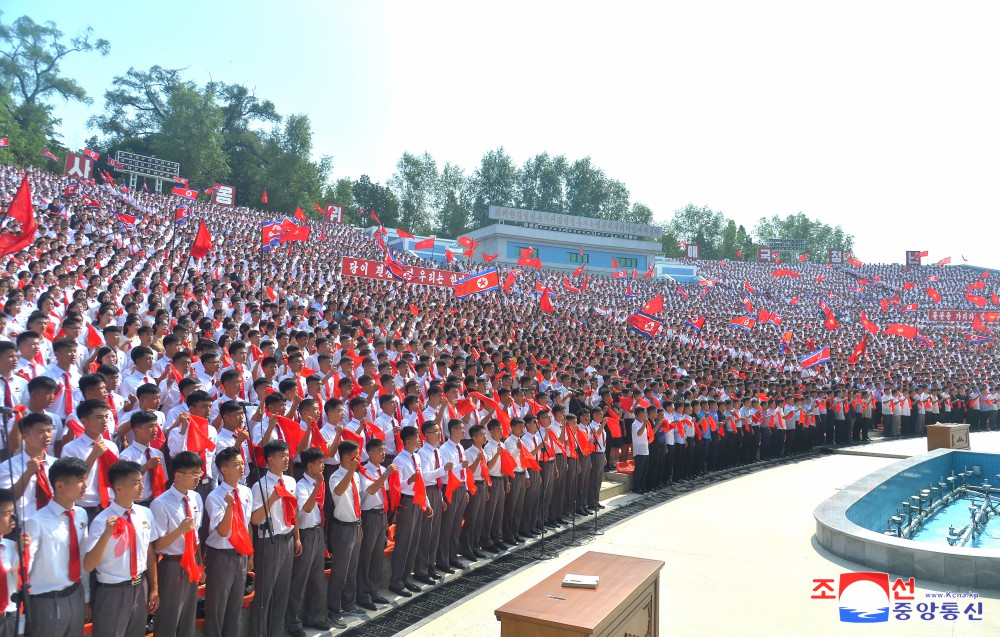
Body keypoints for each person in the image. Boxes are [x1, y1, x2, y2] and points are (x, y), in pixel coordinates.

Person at [83, 460, 160, 637]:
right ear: (118, 488)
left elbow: (149, 552)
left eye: (141, 480)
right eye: (135, 482)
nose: (142, 486)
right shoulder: (102, 521)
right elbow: (88, 565)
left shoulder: (145, 513)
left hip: (140, 586)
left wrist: (154, 588)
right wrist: (106, 535)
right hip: (113, 591)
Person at [24, 457, 90, 637]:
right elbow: (24, 569)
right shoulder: (36, 522)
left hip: (75, 595)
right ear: (59, 486)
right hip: (46, 602)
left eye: (85, 479)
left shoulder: (81, 514)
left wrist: (85, 598)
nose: (85, 485)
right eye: (79, 481)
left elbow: (83, 557)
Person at [248, 439, 301, 637]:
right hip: (269, 541)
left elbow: (293, 512)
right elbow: (255, 519)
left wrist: (296, 537)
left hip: (287, 538)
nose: (286, 459)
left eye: (287, 455)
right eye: (282, 456)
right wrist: (271, 500)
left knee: (282, 592)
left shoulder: (290, 481)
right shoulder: (260, 486)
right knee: (264, 595)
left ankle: (275, 632)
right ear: (270, 459)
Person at [150, 450, 205, 637]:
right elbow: (157, 545)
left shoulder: (196, 497)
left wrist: (200, 564)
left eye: (200, 473)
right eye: (194, 474)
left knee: (188, 618)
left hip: (191, 564)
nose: (198, 478)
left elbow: (196, 536)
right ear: (178, 475)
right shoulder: (160, 503)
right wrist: (180, 531)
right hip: (173, 564)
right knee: (169, 618)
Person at [203, 446, 254, 637]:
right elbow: (223, 531)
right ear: (224, 469)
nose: (242, 468)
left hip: (241, 554)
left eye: (242, 464)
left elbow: (247, 524)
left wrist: (250, 554)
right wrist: (230, 508)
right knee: (216, 608)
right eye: (237, 465)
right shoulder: (215, 496)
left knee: (235, 605)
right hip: (221, 555)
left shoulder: (246, 492)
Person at [286, 447, 332, 635]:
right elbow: (305, 508)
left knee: (316, 577)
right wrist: (317, 487)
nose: (322, 466)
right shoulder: (302, 485)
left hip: (318, 531)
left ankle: (312, 616)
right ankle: (293, 622)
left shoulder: (316, 483)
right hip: (305, 533)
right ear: (309, 465)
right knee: (299, 579)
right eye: (320, 463)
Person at [60, 399, 120, 520]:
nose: (104, 421)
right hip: (84, 510)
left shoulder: (111, 446)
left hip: (110, 508)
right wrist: (93, 455)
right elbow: (71, 480)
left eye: (106, 417)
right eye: (99, 417)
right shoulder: (71, 448)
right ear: (84, 421)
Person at [326, 440, 364, 627]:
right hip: (342, 528)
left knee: (351, 569)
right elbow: (339, 492)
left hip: (355, 525)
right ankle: (335, 610)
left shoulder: (355, 475)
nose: (359, 458)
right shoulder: (336, 476)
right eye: (356, 455)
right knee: (339, 571)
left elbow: (357, 503)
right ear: (347, 457)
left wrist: (360, 525)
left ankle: (349, 604)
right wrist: (350, 471)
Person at [388, 425, 429, 597]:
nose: (419, 440)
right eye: (417, 438)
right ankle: (396, 581)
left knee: (414, 540)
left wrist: (426, 502)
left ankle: (406, 578)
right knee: (404, 541)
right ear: (408, 441)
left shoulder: (417, 457)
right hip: (406, 501)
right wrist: (408, 481)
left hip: (417, 499)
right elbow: (396, 487)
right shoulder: (399, 460)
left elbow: (421, 483)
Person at [356, 437, 395, 612]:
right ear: (370, 453)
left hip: (381, 514)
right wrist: (386, 475)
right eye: (380, 450)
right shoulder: (364, 470)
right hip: (369, 515)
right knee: (367, 556)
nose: (383, 453)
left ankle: (374, 590)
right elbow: (370, 490)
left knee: (378, 555)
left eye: (384, 450)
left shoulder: (381, 469)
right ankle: (363, 595)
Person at [0, 411, 57, 518]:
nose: (46, 435)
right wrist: (28, 474)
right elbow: (7, 498)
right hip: (23, 527)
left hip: (51, 523)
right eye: (40, 432)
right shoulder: (9, 466)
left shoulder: (56, 463)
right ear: (25, 437)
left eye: (49, 430)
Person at [118, 410, 167, 506]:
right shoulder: (126, 456)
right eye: (150, 426)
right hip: (136, 504)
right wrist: (145, 467)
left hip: (157, 502)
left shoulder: (157, 453)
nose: (155, 430)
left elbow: (164, 480)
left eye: (156, 426)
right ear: (136, 430)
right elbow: (125, 483)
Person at [0, 489, 19, 637]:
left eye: (13, 512)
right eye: (7, 513)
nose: (13, 518)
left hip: (10, 616)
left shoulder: (12, 547)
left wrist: (22, 555)